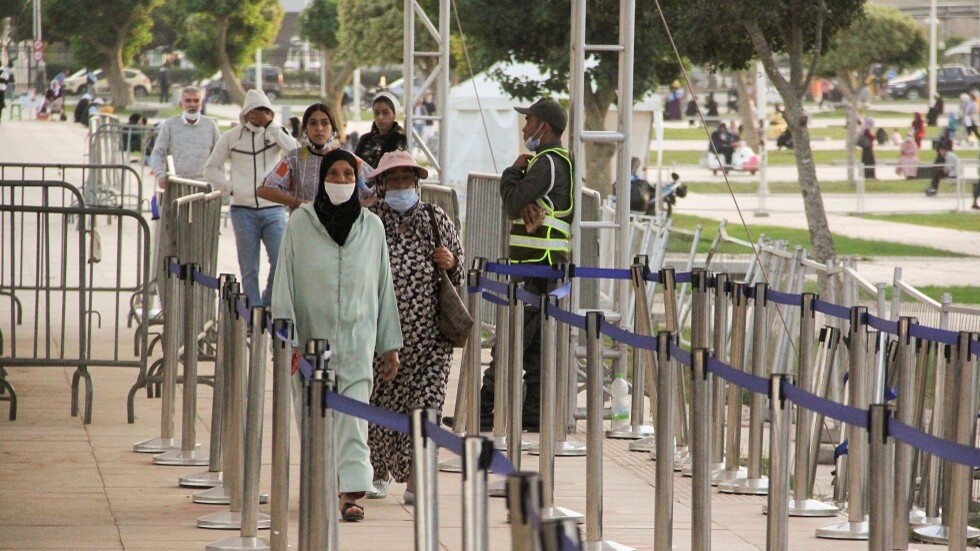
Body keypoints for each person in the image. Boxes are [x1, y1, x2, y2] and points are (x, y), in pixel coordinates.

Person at [271, 148, 403, 522]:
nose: (343, 181)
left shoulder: (372, 227)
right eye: (335, 175)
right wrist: (287, 337)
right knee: (314, 418)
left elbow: (383, 287)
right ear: (322, 179)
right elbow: (285, 280)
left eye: (349, 175)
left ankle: (351, 492)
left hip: (357, 342)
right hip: (310, 345)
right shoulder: (300, 222)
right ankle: (321, 482)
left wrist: (388, 344)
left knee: (354, 422)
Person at [364, 150, 463, 504]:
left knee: (427, 407)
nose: (402, 185)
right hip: (383, 336)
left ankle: (416, 481)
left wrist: (450, 262)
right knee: (381, 405)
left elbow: (460, 272)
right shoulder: (370, 220)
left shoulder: (436, 218)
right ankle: (376, 471)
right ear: (381, 184)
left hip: (432, 340)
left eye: (407, 179)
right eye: (394, 180)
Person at [477, 98, 573, 432]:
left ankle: (483, 410)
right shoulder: (554, 162)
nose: (524, 127)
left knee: (510, 342)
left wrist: (512, 172)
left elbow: (513, 203)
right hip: (538, 268)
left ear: (543, 126)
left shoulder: (546, 163)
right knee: (532, 349)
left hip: (538, 268)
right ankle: (532, 414)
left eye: (528, 120)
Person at [204, 89, 297, 308]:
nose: (259, 115)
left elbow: (295, 152)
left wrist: (272, 127)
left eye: (265, 110)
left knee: (280, 259)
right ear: (246, 113)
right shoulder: (232, 137)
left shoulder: (276, 134)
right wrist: (231, 188)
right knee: (249, 267)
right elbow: (211, 168)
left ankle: (266, 304)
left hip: (273, 208)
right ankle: (252, 314)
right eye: (255, 110)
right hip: (242, 210)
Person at [258, 103, 371, 212]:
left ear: (333, 128)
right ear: (305, 129)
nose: (319, 128)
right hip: (303, 225)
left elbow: (379, 186)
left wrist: (356, 208)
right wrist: (299, 203)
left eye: (325, 123)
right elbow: (264, 190)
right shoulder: (293, 158)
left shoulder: (348, 159)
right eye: (313, 123)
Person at [150, 86, 220, 188]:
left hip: (204, 186)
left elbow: (219, 157)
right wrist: (161, 176)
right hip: (176, 185)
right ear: (181, 104)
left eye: (196, 101)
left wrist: (220, 183)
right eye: (188, 101)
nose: (192, 104)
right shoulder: (170, 124)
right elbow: (157, 153)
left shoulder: (211, 126)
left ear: (202, 103)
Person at [354, 92, 408, 169]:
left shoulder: (399, 140)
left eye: (385, 113)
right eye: (376, 113)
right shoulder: (365, 139)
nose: (380, 117)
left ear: (394, 114)